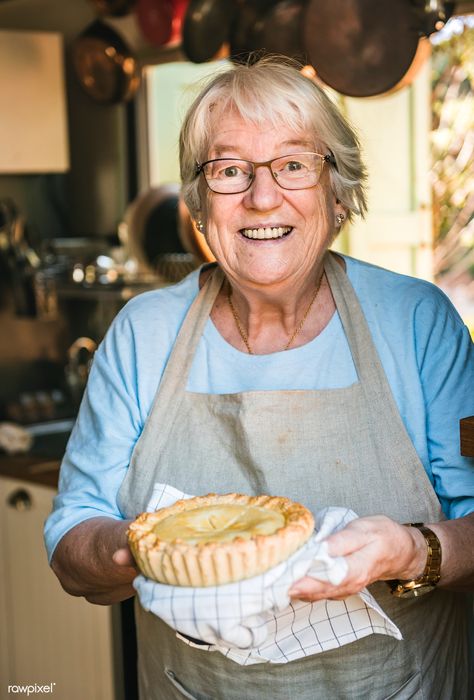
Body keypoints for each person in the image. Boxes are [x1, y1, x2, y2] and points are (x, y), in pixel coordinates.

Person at [45, 56, 474, 699]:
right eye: (229, 171)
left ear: (337, 191)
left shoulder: (416, 321)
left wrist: (409, 552)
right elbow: (72, 544)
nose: (262, 197)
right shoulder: (143, 332)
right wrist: (164, 553)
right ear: (198, 199)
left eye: (294, 164)